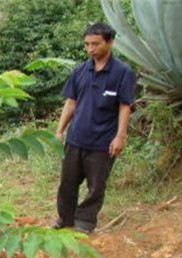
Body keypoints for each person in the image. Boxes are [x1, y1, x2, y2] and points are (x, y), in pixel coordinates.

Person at [53, 22, 136, 234]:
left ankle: (85, 223)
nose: (91, 49)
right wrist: (60, 131)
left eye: (96, 44)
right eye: (87, 44)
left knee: (96, 187)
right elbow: (71, 102)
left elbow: (125, 106)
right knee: (67, 184)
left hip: (102, 143)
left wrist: (120, 136)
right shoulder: (81, 71)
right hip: (75, 139)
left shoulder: (122, 73)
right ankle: (65, 219)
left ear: (110, 43)